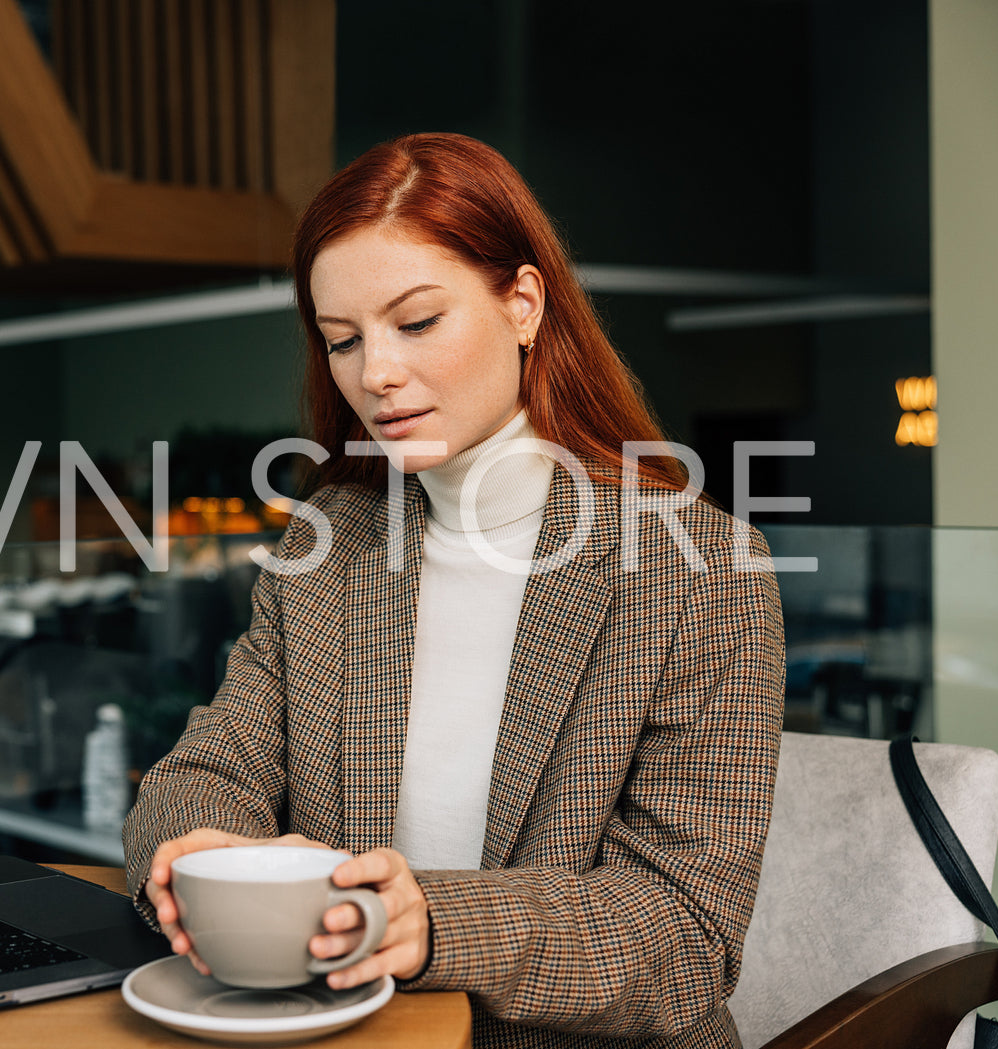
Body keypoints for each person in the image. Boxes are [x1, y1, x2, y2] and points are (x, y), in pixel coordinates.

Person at [122, 132, 785, 1048]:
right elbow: (204, 770)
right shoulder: (331, 543)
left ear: (522, 302)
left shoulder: (697, 572)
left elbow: (685, 935)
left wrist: (428, 923)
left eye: (417, 322)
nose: (376, 374)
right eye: (342, 341)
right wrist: (197, 852)